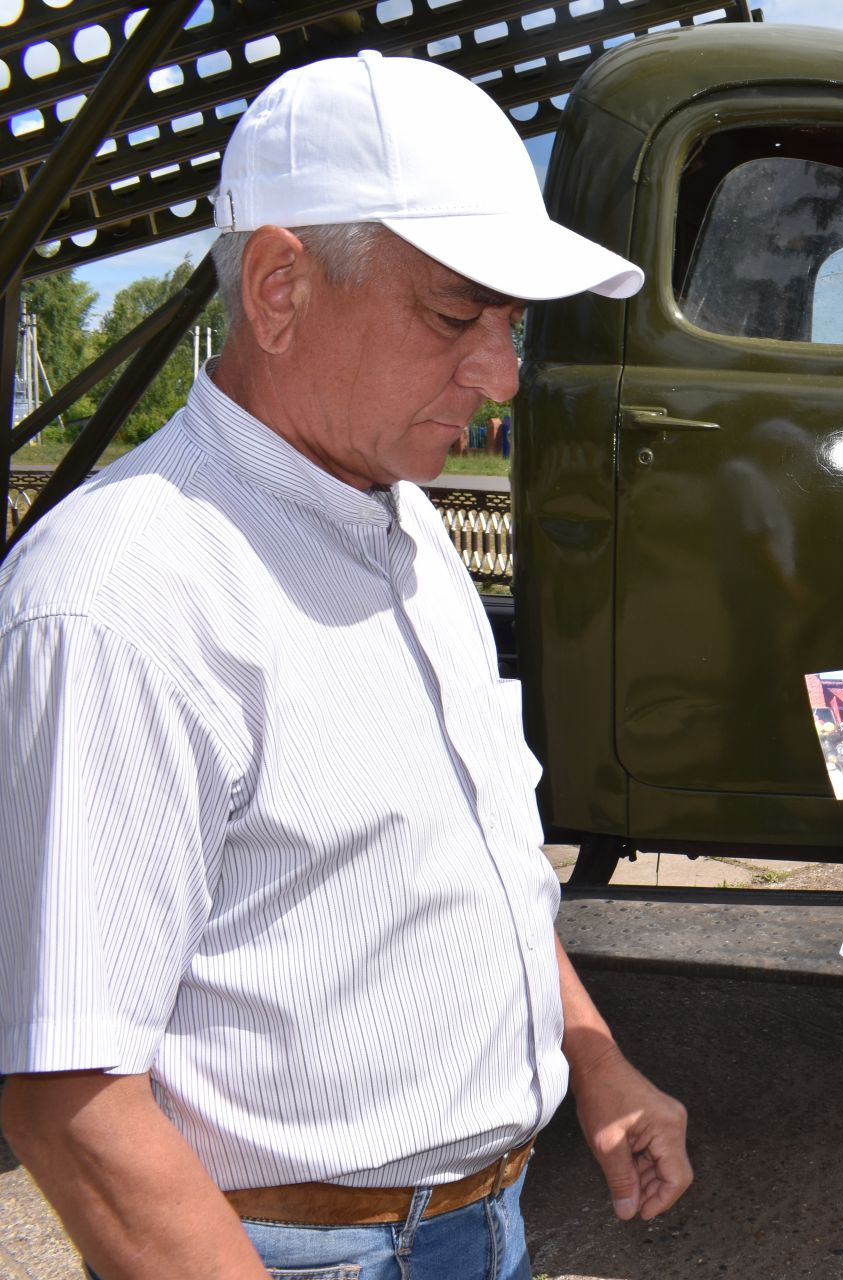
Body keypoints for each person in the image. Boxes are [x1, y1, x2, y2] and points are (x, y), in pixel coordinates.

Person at [0, 52, 690, 1279]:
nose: (502, 376)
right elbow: (69, 1097)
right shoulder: (114, 601)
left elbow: (473, 860)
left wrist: (592, 1054)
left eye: (512, 324)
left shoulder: (405, 520)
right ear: (279, 285)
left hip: (482, 1220)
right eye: (453, 316)